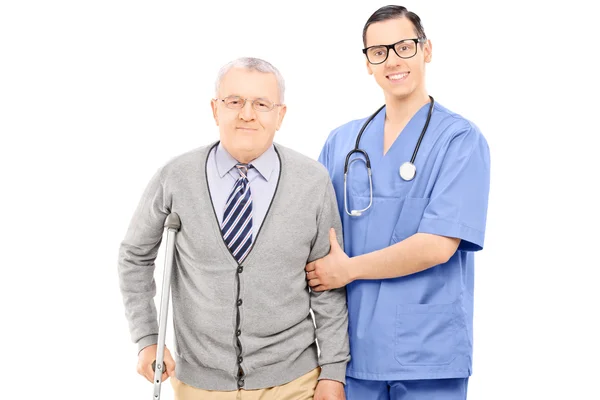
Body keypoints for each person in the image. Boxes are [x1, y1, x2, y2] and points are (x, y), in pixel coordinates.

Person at [118, 57, 349, 400]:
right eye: (234, 101)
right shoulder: (175, 177)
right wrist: (146, 339)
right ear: (215, 109)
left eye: (261, 104)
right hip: (199, 383)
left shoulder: (312, 181)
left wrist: (333, 373)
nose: (247, 114)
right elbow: (135, 256)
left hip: (294, 380)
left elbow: (326, 283)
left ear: (280, 115)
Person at [305, 5, 491, 399]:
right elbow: (315, 243)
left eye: (404, 46)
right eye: (379, 52)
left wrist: (348, 270)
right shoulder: (341, 142)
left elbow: (439, 245)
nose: (392, 60)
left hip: (428, 352)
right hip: (350, 354)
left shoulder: (459, 140)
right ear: (367, 63)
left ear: (426, 50)